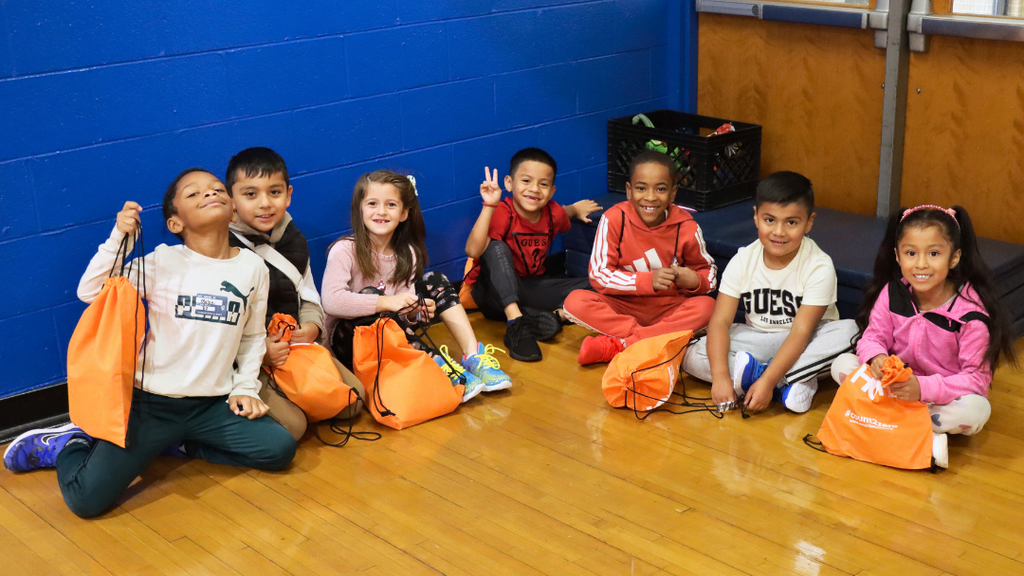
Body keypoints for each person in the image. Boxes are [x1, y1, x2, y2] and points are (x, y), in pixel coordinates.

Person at [3, 168, 296, 518]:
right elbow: (89, 291)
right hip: (152, 405)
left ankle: (180, 443)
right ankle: (70, 443)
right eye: (194, 194)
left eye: (218, 189)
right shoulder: (162, 262)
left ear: (232, 209)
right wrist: (120, 237)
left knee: (279, 449)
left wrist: (245, 388)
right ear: (176, 224)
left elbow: (251, 336)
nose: (210, 193)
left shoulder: (252, 267)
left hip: (211, 405)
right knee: (86, 500)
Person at [829, 204, 1016, 467]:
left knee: (976, 411)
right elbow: (872, 338)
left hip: (938, 395)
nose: (921, 264)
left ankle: (888, 422)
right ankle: (912, 429)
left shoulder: (971, 314)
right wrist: (877, 358)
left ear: (954, 257)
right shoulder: (893, 292)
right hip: (893, 388)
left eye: (934, 253)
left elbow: (976, 379)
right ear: (897, 256)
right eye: (911, 253)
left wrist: (923, 389)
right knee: (841, 365)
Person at [322, 170, 511, 401]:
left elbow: (402, 315)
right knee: (375, 305)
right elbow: (331, 302)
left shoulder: (408, 253)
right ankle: (438, 367)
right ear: (360, 209)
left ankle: (473, 356)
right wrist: (387, 302)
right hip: (350, 344)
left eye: (391, 205)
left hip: (390, 338)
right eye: (372, 203)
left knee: (435, 280)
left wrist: (415, 312)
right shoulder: (344, 250)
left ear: (403, 214)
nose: (381, 211)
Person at [681, 171, 858, 413]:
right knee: (692, 353)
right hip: (759, 340)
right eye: (770, 220)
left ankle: (763, 379)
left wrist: (767, 380)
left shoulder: (819, 264)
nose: (779, 232)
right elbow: (721, 321)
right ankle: (793, 383)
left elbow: (802, 331)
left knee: (849, 332)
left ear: (809, 222)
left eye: (792, 222)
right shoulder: (743, 259)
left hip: (807, 342)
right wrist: (721, 377)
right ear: (756, 217)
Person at [226, 147, 366, 441]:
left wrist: (313, 326)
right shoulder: (221, 247)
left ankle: (294, 396)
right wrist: (261, 351)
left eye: (274, 192)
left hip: (294, 347)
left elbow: (308, 293)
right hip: (251, 357)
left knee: (354, 399)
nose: (265, 204)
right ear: (232, 201)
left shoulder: (294, 238)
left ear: (288, 194)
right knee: (293, 428)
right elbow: (219, 322)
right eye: (250, 194)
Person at [563, 150, 716, 365]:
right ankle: (648, 340)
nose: (651, 197)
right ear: (629, 190)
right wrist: (647, 281)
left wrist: (694, 281)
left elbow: (709, 276)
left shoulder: (687, 227)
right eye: (641, 188)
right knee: (575, 302)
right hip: (623, 307)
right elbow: (599, 275)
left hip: (668, 308)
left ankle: (620, 346)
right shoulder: (613, 219)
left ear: (673, 194)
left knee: (708, 307)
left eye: (660, 189)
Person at [464, 147, 602, 361]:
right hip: (494, 295)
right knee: (495, 247)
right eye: (526, 181)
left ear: (552, 191)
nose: (535, 189)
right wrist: (489, 205)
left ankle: (557, 316)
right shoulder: (502, 212)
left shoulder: (553, 213)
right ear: (509, 183)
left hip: (530, 288)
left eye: (543, 184)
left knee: (599, 283)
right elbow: (473, 251)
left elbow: (564, 213)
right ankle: (516, 324)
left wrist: (576, 208)